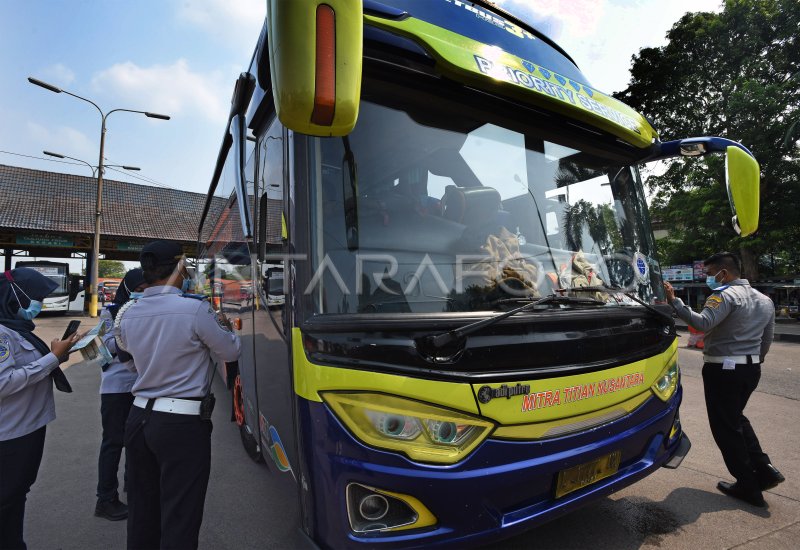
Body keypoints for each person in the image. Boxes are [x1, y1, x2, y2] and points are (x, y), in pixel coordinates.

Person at [119, 241, 241, 550]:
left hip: (138, 419)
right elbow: (228, 351)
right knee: (180, 513)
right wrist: (228, 329)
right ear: (178, 269)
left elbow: (127, 353)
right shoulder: (194, 309)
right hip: (180, 425)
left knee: (142, 509)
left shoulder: (130, 313)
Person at [664, 252, 784, 507]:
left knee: (725, 428)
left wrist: (675, 303)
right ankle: (764, 469)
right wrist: (754, 361)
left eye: (710, 275)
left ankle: (748, 486)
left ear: (724, 273)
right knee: (736, 419)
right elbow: (767, 338)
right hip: (750, 369)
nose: (710, 280)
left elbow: (703, 323)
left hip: (723, 370)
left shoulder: (723, 295)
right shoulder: (765, 300)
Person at [0, 268, 81, 549]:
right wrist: (51, 360)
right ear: (14, 297)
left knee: (16, 494)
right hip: (10, 436)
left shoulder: (14, 328)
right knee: (7, 498)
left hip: (26, 429)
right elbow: (2, 384)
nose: (40, 304)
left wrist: (55, 355)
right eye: (36, 298)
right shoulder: (1, 334)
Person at [94, 268, 147, 522]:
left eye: (147, 289)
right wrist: (127, 333)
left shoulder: (150, 311)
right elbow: (103, 346)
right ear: (127, 289)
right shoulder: (111, 312)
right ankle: (105, 499)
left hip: (141, 386)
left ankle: (134, 488)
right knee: (114, 443)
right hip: (116, 388)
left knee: (138, 442)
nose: (143, 294)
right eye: (138, 290)